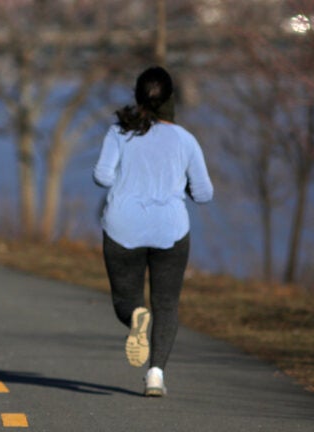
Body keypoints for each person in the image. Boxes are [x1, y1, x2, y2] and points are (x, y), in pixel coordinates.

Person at [92, 66, 213, 397]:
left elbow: (102, 176)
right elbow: (204, 194)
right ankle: (156, 375)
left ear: (137, 96)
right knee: (167, 304)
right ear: (171, 98)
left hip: (122, 228)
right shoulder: (186, 140)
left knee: (125, 302)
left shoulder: (118, 132)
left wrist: (130, 183)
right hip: (170, 230)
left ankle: (135, 318)